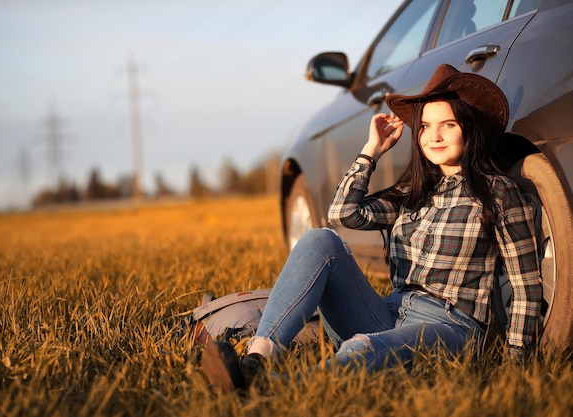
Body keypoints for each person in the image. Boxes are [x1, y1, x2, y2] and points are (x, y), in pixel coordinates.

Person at [200, 64, 543, 392]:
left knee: (361, 350)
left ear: (470, 127)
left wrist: (516, 364)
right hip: (388, 313)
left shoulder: (498, 192)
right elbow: (342, 214)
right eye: (424, 127)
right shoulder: (416, 191)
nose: (434, 136)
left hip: (449, 326)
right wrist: (371, 151)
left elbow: (524, 283)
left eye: (448, 125)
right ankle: (256, 361)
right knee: (320, 240)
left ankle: (268, 389)